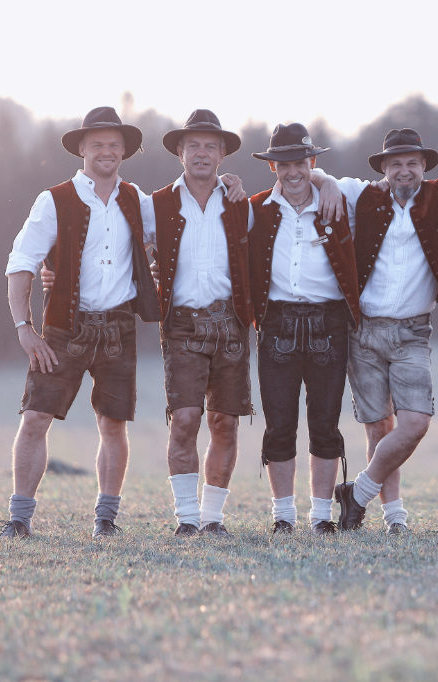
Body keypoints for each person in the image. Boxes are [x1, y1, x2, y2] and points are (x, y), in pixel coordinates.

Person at [0, 106, 159, 539]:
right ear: (82, 149)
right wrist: (24, 327)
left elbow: (180, 224)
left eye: (113, 144)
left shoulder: (137, 200)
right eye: (97, 144)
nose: (106, 151)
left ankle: (106, 519)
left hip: (118, 328)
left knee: (113, 423)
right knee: (35, 417)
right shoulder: (54, 199)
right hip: (63, 328)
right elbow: (21, 263)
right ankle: (19, 518)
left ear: (124, 150)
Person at [326, 128, 438, 533]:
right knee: (379, 427)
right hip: (363, 331)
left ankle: (357, 493)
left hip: (413, 331)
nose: (404, 170)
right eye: (395, 163)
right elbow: (309, 175)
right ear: (383, 168)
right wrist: (325, 181)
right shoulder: (361, 195)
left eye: (412, 163)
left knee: (415, 423)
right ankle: (394, 515)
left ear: (424, 166)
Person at [248, 123, 359, 536]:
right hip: (276, 322)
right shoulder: (257, 209)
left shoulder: (340, 200)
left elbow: (382, 188)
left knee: (326, 422)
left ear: (312, 163)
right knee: (279, 423)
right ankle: (282, 516)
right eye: (283, 164)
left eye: (300, 163)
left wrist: (327, 181)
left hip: (328, 322)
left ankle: (321, 517)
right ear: (273, 166)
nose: (292, 172)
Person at [148, 109, 254, 537]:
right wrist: (53, 272)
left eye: (211, 146)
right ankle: (186, 518)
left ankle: (213, 518)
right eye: (194, 146)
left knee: (224, 422)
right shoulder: (155, 203)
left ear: (224, 154)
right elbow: (115, 239)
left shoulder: (240, 204)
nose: (202, 154)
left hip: (230, 323)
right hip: (183, 324)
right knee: (186, 418)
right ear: (180, 152)